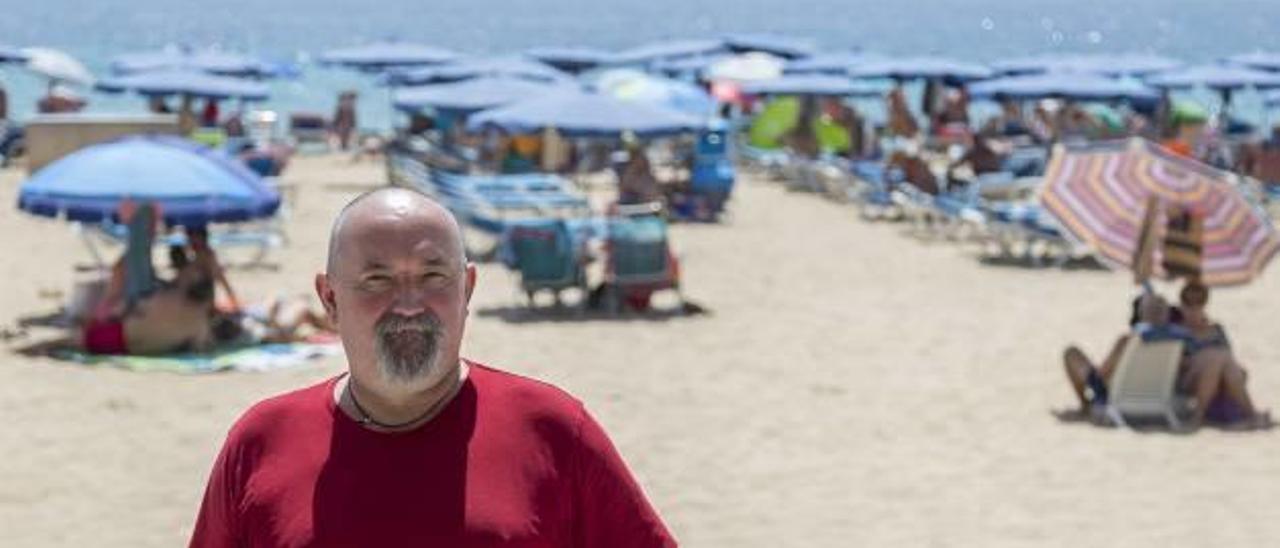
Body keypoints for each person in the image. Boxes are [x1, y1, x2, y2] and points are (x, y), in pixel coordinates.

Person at [189, 188, 676, 546]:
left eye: (432, 277)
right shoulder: (261, 440)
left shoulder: (553, 427)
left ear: (467, 290)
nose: (407, 304)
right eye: (377, 280)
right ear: (330, 299)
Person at [1174, 282, 1269, 427]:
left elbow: (1229, 358)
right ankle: (1199, 416)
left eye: (1199, 302)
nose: (1194, 308)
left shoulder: (1217, 329)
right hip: (1189, 379)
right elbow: (1175, 363)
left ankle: (1250, 415)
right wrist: (1201, 359)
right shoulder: (1177, 331)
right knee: (1216, 358)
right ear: (1182, 305)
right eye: (1189, 303)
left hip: (1219, 376)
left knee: (1221, 361)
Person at [185, 226, 241, 312]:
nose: (189, 240)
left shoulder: (206, 256)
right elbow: (221, 278)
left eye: (190, 237)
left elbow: (220, 277)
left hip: (202, 308)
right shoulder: (195, 256)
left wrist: (233, 299)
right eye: (188, 237)